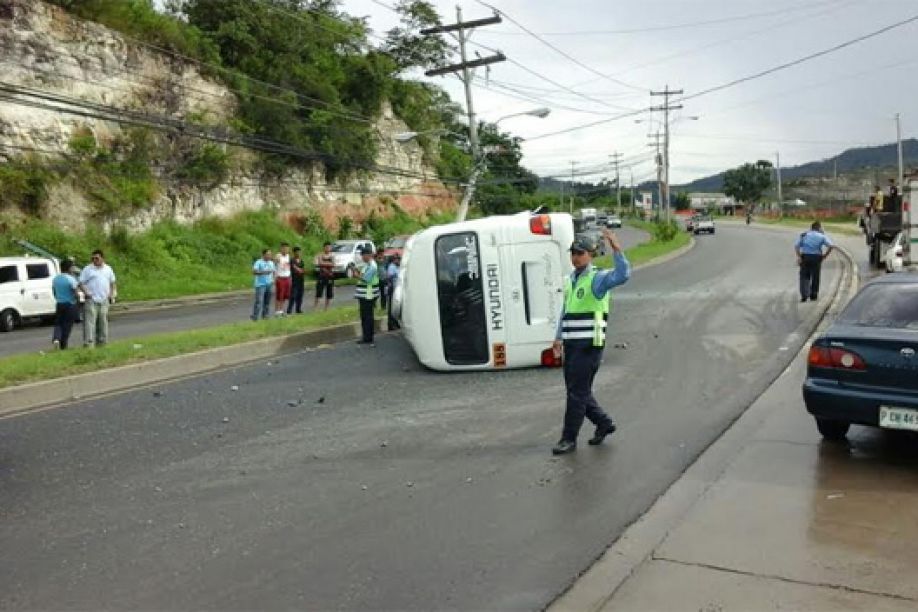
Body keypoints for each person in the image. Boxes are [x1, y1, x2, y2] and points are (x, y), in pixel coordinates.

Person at [551, 229, 631, 456]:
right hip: (571, 345)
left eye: (580, 253)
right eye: (573, 253)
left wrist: (616, 249)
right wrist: (558, 338)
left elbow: (623, 275)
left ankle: (568, 439)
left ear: (590, 255)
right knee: (578, 390)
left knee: (576, 393)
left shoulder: (597, 278)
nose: (575, 257)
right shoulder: (570, 281)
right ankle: (603, 422)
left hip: (589, 345)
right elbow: (565, 312)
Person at [78, 249, 117, 348]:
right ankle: (89, 343)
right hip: (91, 299)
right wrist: (86, 293)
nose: (94, 260)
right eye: (93, 258)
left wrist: (111, 294)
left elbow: (112, 283)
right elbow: (81, 283)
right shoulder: (88, 269)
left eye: (97, 258)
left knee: (103, 322)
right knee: (90, 323)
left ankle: (102, 342)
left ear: (102, 258)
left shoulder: (108, 269)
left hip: (104, 299)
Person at [795, 221, 834, 303]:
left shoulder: (804, 235)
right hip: (816, 257)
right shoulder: (822, 236)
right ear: (819, 228)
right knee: (815, 276)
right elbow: (831, 246)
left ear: (811, 228)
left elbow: (797, 246)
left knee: (804, 276)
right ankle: (813, 294)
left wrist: (799, 257)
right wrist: (825, 256)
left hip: (805, 256)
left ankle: (804, 295)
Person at [351, 246, 380, 345]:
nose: (362, 257)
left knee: (367, 317)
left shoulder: (372, 266)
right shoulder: (367, 265)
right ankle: (367, 335)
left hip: (368, 295)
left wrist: (356, 275)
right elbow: (363, 276)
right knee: (365, 316)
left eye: (363, 255)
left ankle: (368, 337)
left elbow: (366, 279)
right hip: (365, 294)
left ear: (368, 255)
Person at [51, 258, 80, 349]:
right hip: (70, 304)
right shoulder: (71, 279)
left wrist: (58, 298)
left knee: (58, 323)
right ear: (69, 268)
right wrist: (78, 301)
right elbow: (76, 292)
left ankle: (56, 338)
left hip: (59, 303)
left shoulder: (56, 279)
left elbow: (54, 291)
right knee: (67, 325)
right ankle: (63, 345)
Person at [251, 249, 275, 320]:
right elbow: (254, 272)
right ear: (264, 255)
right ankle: (255, 317)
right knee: (259, 301)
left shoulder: (271, 262)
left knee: (267, 301)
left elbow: (273, 271)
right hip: (260, 285)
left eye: (270, 254)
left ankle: (265, 316)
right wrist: (264, 272)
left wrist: (273, 279)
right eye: (268, 254)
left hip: (269, 284)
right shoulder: (258, 262)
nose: (269, 256)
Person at [314, 242, 335, 311]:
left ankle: (326, 308)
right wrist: (329, 263)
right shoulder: (320, 255)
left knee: (329, 293)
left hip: (330, 276)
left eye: (329, 247)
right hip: (321, 276)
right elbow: (319, 263)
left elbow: (333, 264)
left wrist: (324, 263)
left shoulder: (332, 255)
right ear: (324, 247)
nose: (328, 249)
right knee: (319, 292)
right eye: (326, 247)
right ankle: (315, 308)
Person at [287, 246, 306, 314]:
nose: (298, 253)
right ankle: (289, 310)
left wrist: (300, 270)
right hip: (294, 280)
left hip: (301, 279)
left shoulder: (301, 261)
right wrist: (299, 270)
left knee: (300, 295)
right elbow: (294, 268)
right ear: (294, 253)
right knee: (293, 295)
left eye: (299, 252)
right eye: (297, 252)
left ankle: (298, 309)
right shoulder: (292, 260)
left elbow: (303, 270)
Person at [274, 242, 292, 316]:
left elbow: (288, 266)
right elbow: (274, 262)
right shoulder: (278, 255)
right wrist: (276, 258)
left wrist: (290, 277)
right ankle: (277, 311)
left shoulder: (288, 256)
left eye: (287, 248)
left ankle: (281, 310)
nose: (285, 250)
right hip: (280, 278)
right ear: (281, 248)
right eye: (284, 248)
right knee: (279, 295)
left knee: (285, 295)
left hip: (287, 277)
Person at [386, 254, 401, 330]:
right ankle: (391, 324)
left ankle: (395, 323)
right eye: (397, 259)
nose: (398, 261)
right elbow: (389, 276)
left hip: (396, 289)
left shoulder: (397, 267)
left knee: (395, 307)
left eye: (398, 259)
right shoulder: (392, 266)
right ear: (394, 260)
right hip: (392, 289)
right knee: (392, 307)